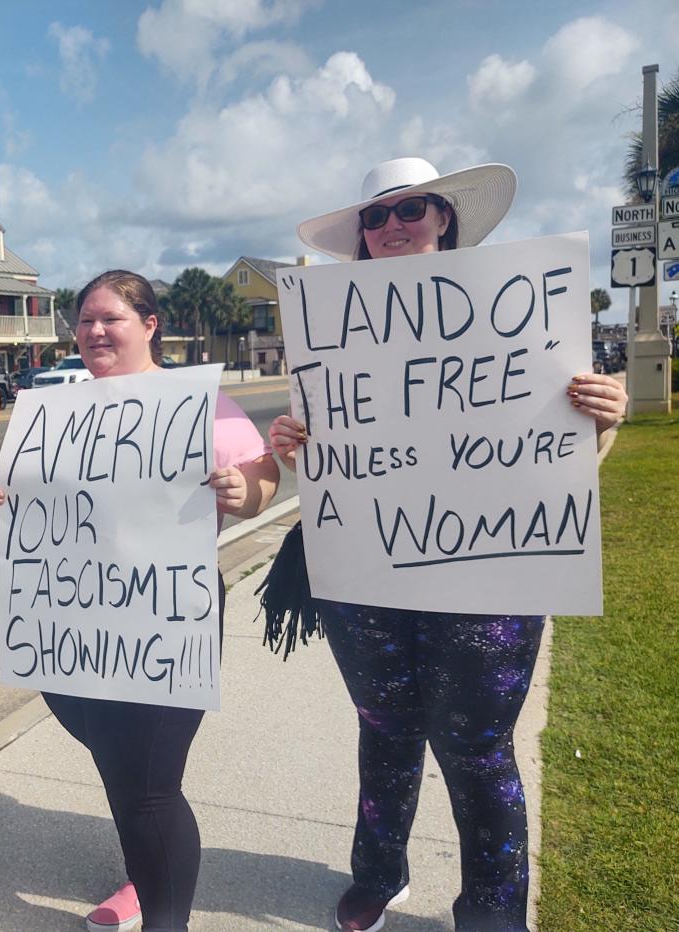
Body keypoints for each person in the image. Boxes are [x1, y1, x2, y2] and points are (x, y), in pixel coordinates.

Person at [268, 158, 628, 932]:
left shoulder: (518, 314)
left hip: (487, 571)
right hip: (367, 571)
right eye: (376, 216)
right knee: (385, 727)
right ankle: (379, 873)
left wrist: (602, 419)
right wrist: (292, 443)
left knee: (478, 746)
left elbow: (552, 459)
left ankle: (494, 905)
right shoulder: (333, 327)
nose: (394, 226)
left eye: (413, 209)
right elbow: (327, 460)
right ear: (361, 237)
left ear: (444, 219)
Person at [0, 270, 280, 932]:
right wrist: (4, 498)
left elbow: (265, 473)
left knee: (149, 787)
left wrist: (243, 490)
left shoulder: (193, 405)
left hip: (165, 616)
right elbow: (29, 498)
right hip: (74, 618)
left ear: (150, 325)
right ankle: (147, 878)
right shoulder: (58, 414)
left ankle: (164, 914)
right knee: (119, 768)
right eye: (83, 321)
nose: (92, 331)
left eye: (109, 318)